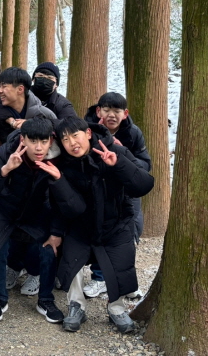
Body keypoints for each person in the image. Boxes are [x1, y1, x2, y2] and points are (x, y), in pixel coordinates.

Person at [43, 116, 154, 333]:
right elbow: (60, 206)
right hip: (80, 226)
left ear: (88, 133)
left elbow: (144, 185)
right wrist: (56, 232)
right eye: (65, 139)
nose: (72, 143)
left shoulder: (114, 150)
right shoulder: (62, 163)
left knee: (120, 265)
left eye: (75, 136)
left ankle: (116, 309)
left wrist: (118, 164)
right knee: (71, 260)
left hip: (116, 223)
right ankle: (76, 305)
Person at [0, 117, 63, 323]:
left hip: (38, 210)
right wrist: (6, 169)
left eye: (43, 141)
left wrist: (56, 232)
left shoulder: (59, 158)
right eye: (33, 141)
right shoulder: (7, 151)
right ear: (23, 139)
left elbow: (61, 201)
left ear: (51, 141)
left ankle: (45, 299)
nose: (38, 147)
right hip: (5, 209)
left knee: (49, 248)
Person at [0, 66, 57, 295]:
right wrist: (11, 126)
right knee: (9, 225)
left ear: (20, 89)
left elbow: (63, 131)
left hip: (40, 181)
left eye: (4, 86)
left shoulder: (44, 115)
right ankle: (14, 267)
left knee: (36, 226)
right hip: (11, 175)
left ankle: (35, 272)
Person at [83, 92, 152, 297]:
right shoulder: (86, 130)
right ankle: (99, 278)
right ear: (98, 111)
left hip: (126, 189)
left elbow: (145, 165)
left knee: (130, 232)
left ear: (125, 113)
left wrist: (123, 155)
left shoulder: (133, 133)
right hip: (97, 190)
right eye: (106, 110)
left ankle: (125, 282)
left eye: (117, 111)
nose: (111, 115)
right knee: (100, 231)